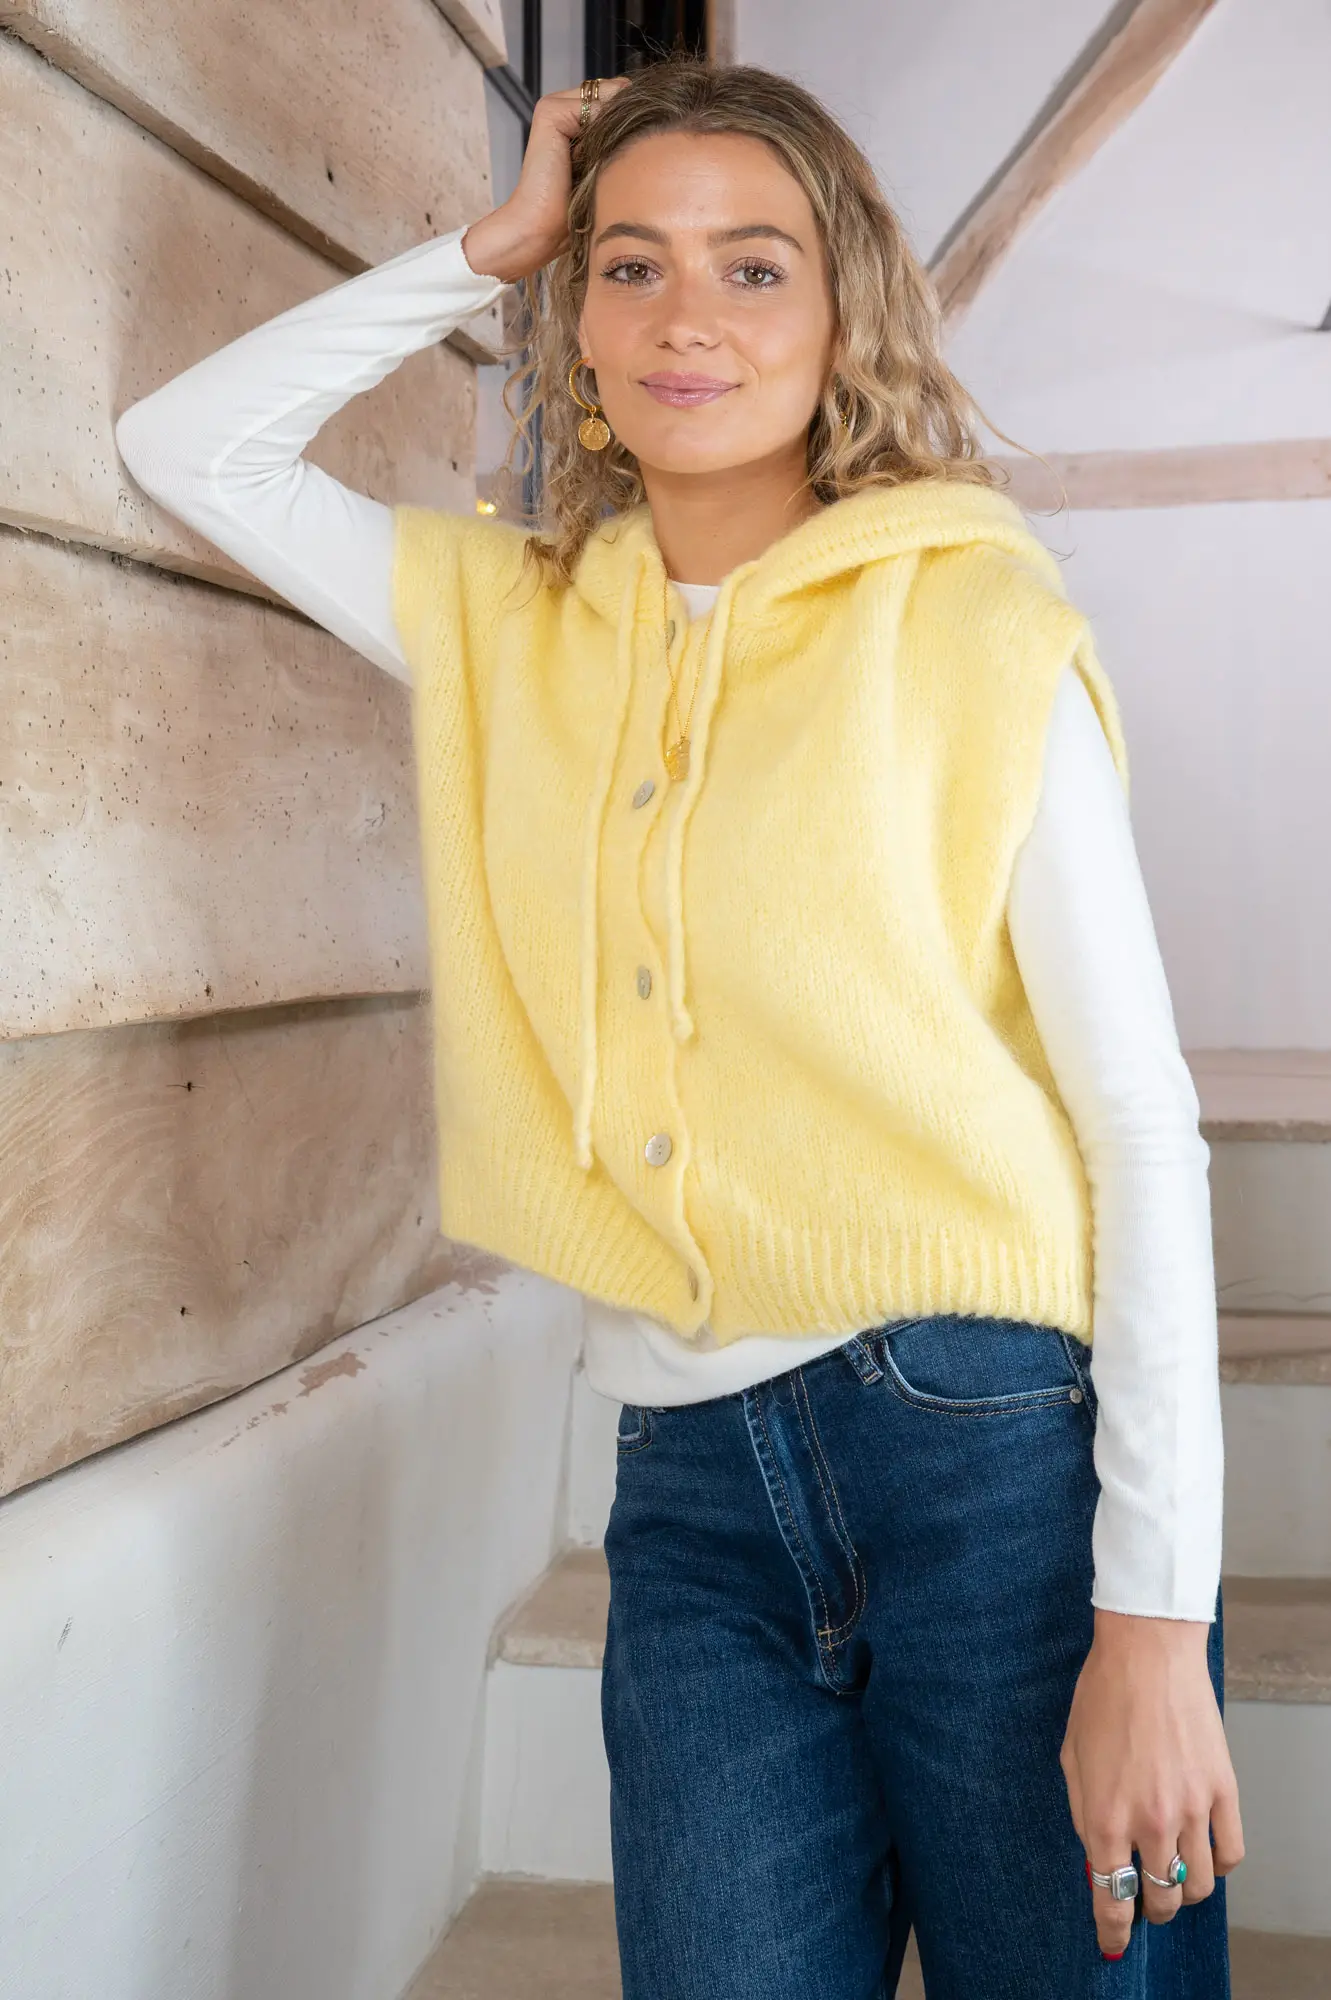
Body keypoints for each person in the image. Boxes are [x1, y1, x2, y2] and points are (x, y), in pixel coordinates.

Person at [114, 55, 1243, 2000]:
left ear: (842, 311)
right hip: (692, 1490)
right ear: (574, 321)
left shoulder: (973, 627)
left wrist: (1150, 1619)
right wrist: (487, 242)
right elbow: (185, 448)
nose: (683, 317)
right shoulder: (511, 622)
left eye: (750, 266)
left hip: (988, 1460)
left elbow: (1138, 1126)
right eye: (628, 266)